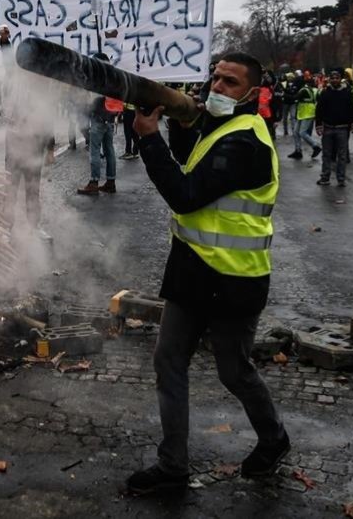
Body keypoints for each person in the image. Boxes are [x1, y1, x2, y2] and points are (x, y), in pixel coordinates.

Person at [125, 51, 288, 495]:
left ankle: (274, 438)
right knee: (168, 360)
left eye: (230, 82)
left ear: (253, 93)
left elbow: (186, 193)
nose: (217, 87)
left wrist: (148, 139)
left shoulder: (246, 141)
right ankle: (173, 465)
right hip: (193, 272)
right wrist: (179, 124)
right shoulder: (222, 127)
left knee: (234, 372)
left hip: (234, 280)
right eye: (215, 78)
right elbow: (191, 156)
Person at [0, 26, 53, 241]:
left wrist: (50, 148)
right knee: (11, 186)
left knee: (33, 187)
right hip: (15, 141)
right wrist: (5, 41)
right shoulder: (14, 75)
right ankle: (7, 227)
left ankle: (34, 226)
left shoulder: (42, 83)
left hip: (35, 143)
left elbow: (48, 115)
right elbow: (7, 62)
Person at [78, 53, 120, 195]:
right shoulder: (114, 77)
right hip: (110, 119)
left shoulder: (98, 78)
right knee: (109, 151)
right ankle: (111, 182)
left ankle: (94, 182)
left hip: (98, 118)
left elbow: (91, 99)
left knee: (94, 150)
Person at [314, 68, 353, 186]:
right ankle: (325, 177)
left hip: (342, 128)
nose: (334, 80)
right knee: (326, 154)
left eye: (337, 78)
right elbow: (319, 109)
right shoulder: (325, 93)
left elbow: (352, 108)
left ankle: (341, 179)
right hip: (328, 127)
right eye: (332, 78)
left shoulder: (346, 93)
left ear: (340, 79)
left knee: (342, 156)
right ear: (329, 79)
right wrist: (318, 125)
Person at [286, 76, 322, 160]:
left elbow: (294, 98)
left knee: (302, 133)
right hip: (302, 113)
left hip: (308, 113)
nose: (294, 86)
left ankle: (316, 146)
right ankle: (298, 151)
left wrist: (283, 94)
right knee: (296, 132)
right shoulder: (305, 89)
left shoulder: (304, 90)